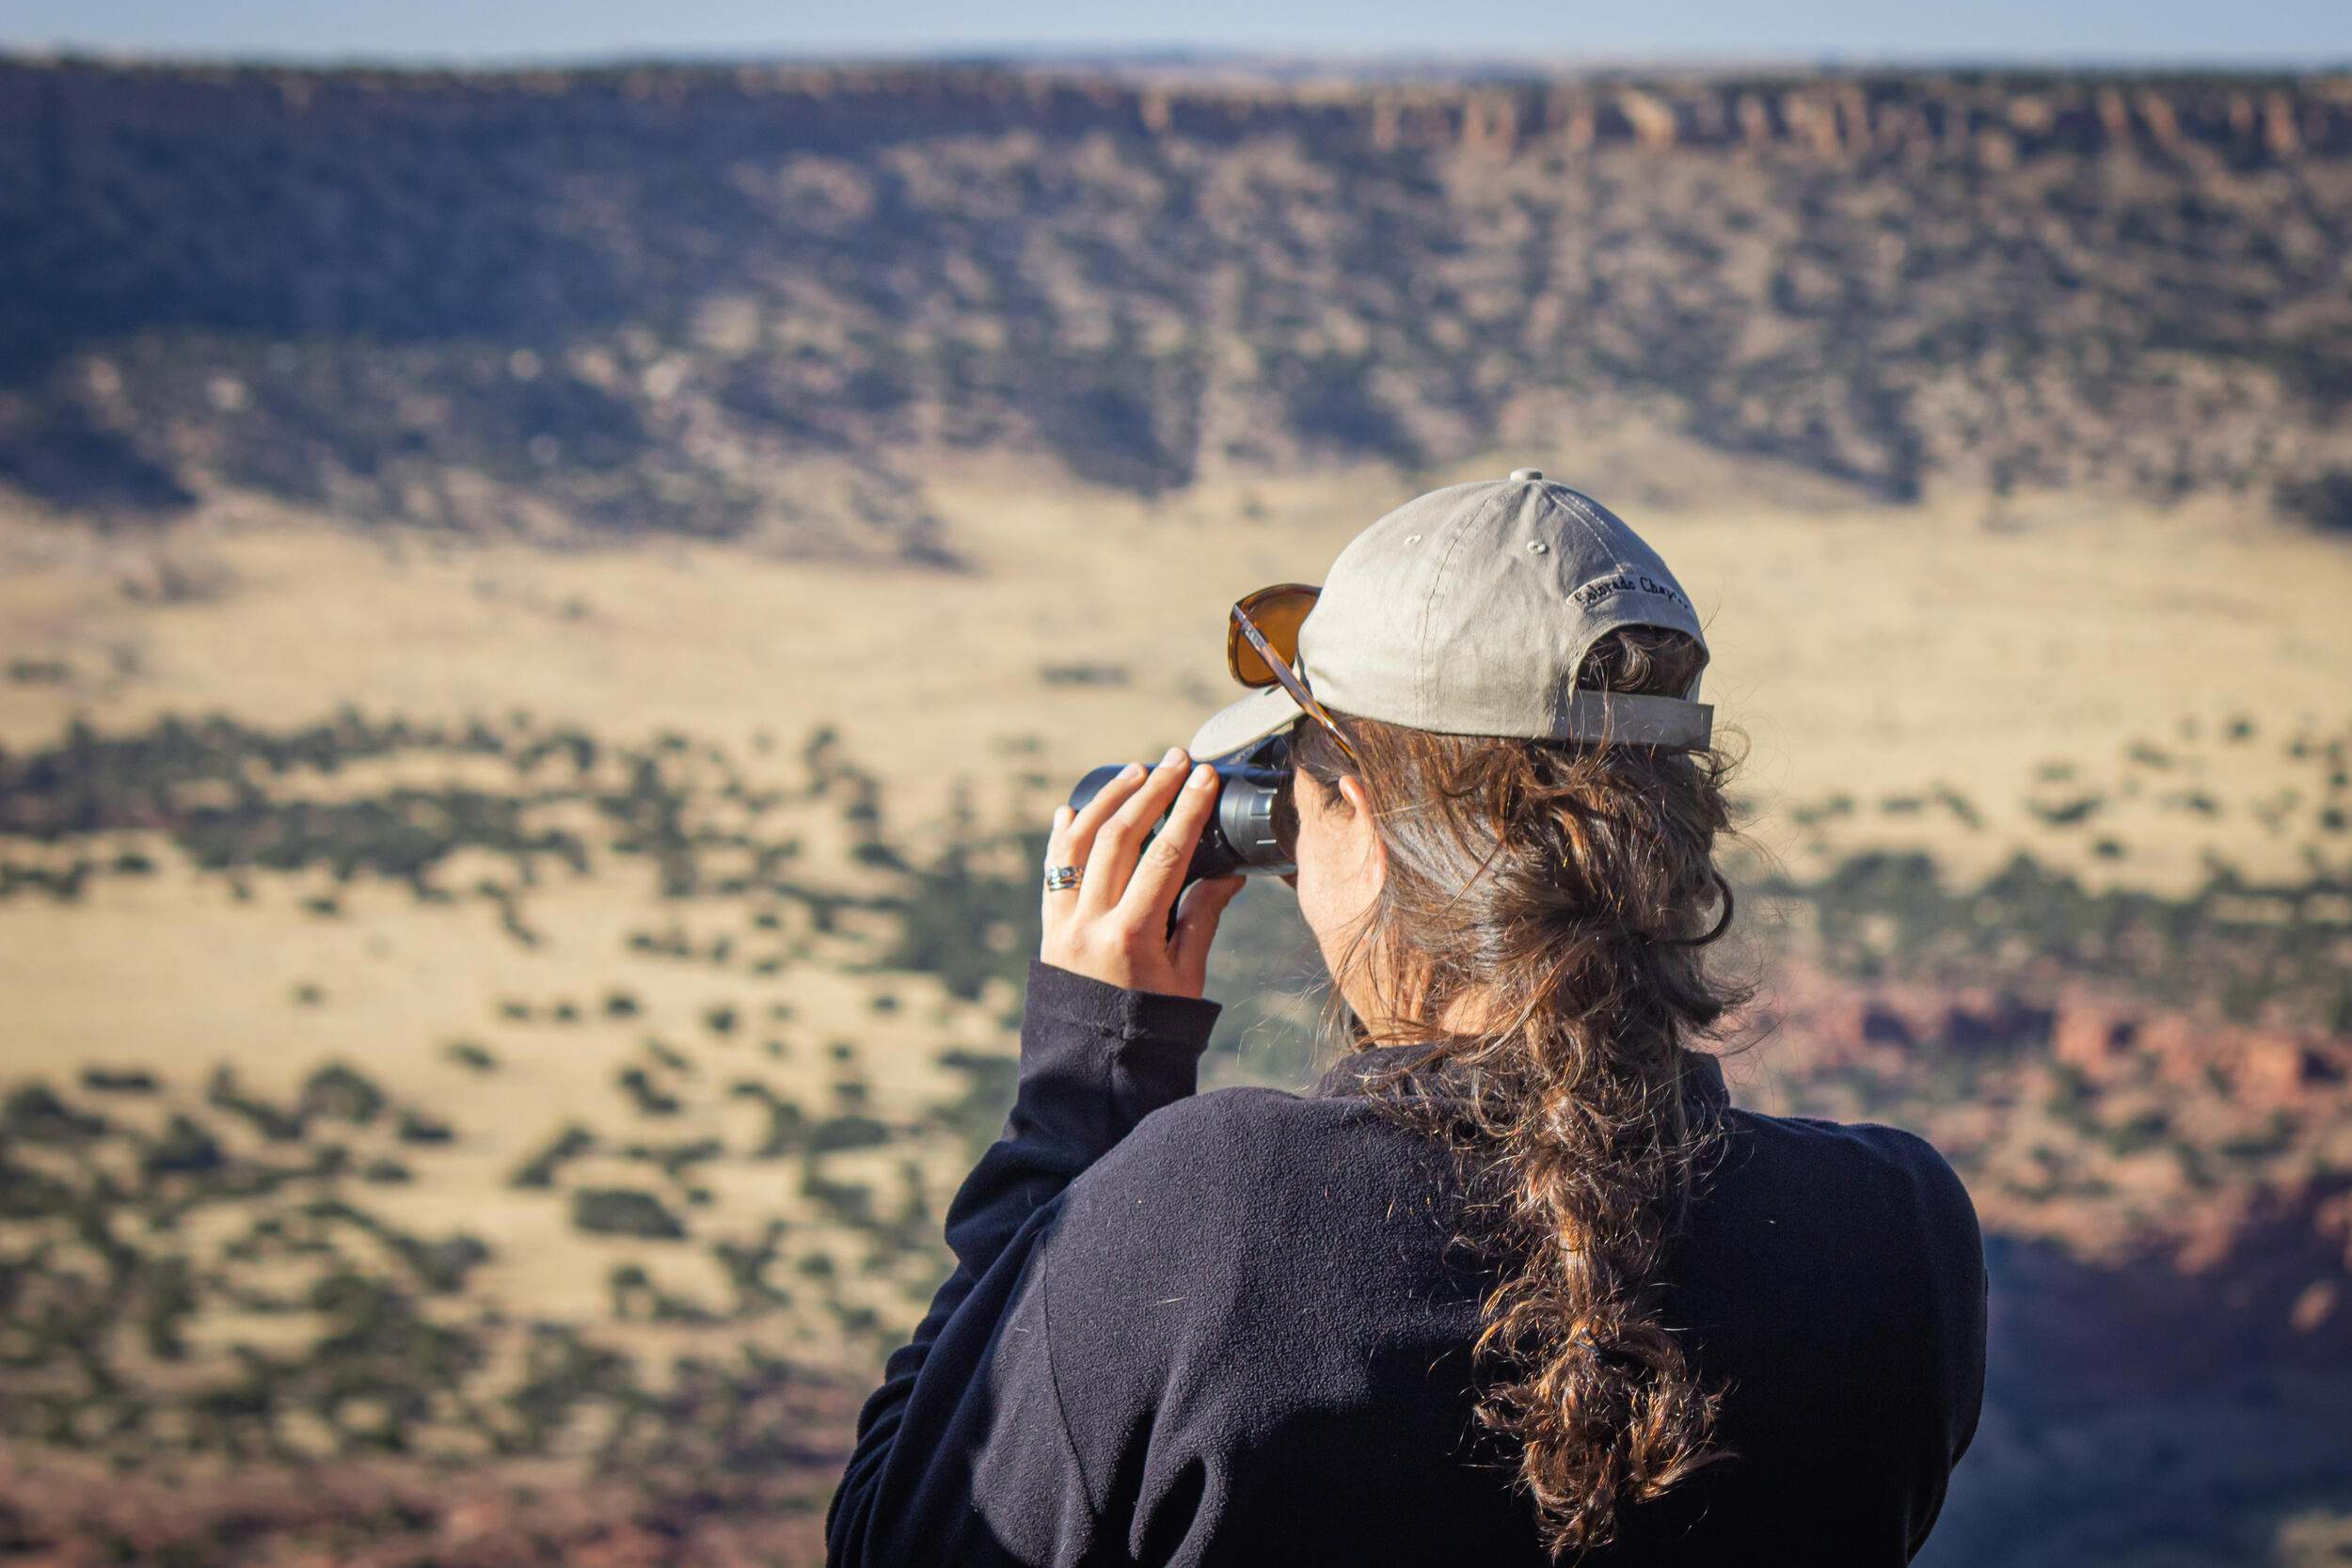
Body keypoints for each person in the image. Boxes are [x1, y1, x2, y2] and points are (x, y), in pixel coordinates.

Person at [826, 469, 1988, 1565]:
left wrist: (1085, 1083)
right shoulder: (1893, 1235)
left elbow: (895, 1531)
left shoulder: (1209, 1216)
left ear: (1362, 820)